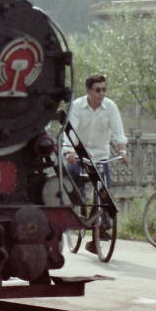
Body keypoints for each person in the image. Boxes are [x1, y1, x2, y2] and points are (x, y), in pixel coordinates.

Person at [62, 74, 128, 253]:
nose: (101, 94)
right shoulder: (77, 106)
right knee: (73, 176)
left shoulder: (110, 107)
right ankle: (78, 209)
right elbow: (71, 130)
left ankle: (100, 228)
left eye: (104, 90)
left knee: (104, 190)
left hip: (100, 155)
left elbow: (118, 132)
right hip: (78, 154)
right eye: (97, 90)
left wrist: (122, 151)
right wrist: (69, 151)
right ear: (88, 91)